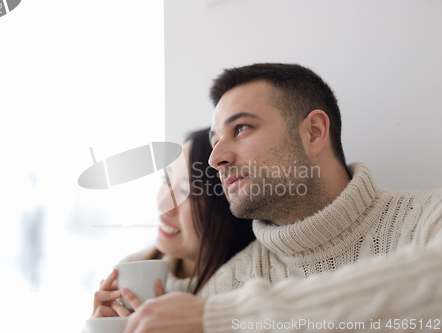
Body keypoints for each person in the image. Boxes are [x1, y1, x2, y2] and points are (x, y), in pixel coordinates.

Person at [123, 63, 442, 333]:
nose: (215, 158)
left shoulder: (429, 217)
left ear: (314, 132)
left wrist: (223, 318)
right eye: (215, 139)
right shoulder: (227, 287)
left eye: (241, 128)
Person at [90, 128, 256, 318]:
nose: (163, 205)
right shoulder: (131, 271)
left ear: (230, 206)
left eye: (187, 192)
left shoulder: (252, 295)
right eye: (166, 180)